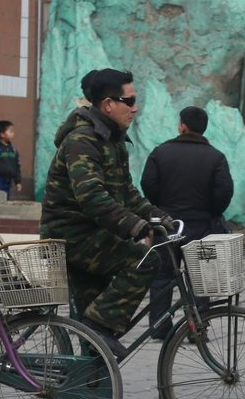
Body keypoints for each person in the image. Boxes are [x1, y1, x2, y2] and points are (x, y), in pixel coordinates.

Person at [41, 68, 174, 362]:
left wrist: (158, 217)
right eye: (129, 100)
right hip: (71, 236)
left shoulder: (113, 141)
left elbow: (127, 193)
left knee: (99, 323)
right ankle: (96, 328)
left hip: (94, 236)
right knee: (144, 260)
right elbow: (91, 197)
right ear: (108, 104)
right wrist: (135, 227)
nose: (135, 107)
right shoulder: (83, 141)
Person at [141, 106, 234, 339]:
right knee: (200, 279)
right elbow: (224, 192)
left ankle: (160, 327)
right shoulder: (216, 157)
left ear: (182, 126)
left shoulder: (161, 152)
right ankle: (197, 328)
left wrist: (161, 208)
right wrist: (211, 212)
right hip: (201, 226)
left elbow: (148, 184)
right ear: (204, 128)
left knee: (162, 277)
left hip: (167, 224)